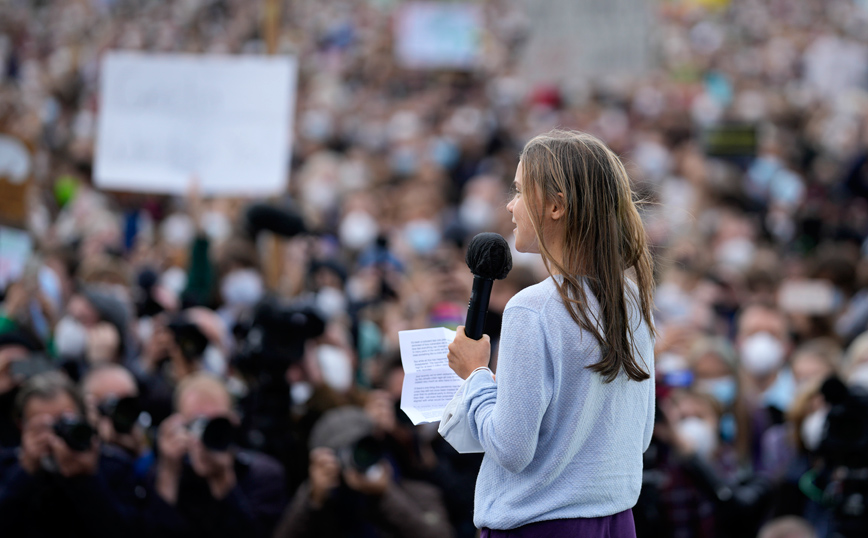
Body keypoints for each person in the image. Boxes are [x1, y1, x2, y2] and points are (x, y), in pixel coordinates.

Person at [446, 130, 657, 536]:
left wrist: (475, 377)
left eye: (521, 191)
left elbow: (511, 448)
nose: (510, 205)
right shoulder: (633, 299)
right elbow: (640, 435)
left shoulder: (533, 308)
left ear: (556, 206)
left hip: (539, 524)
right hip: (615, 521)